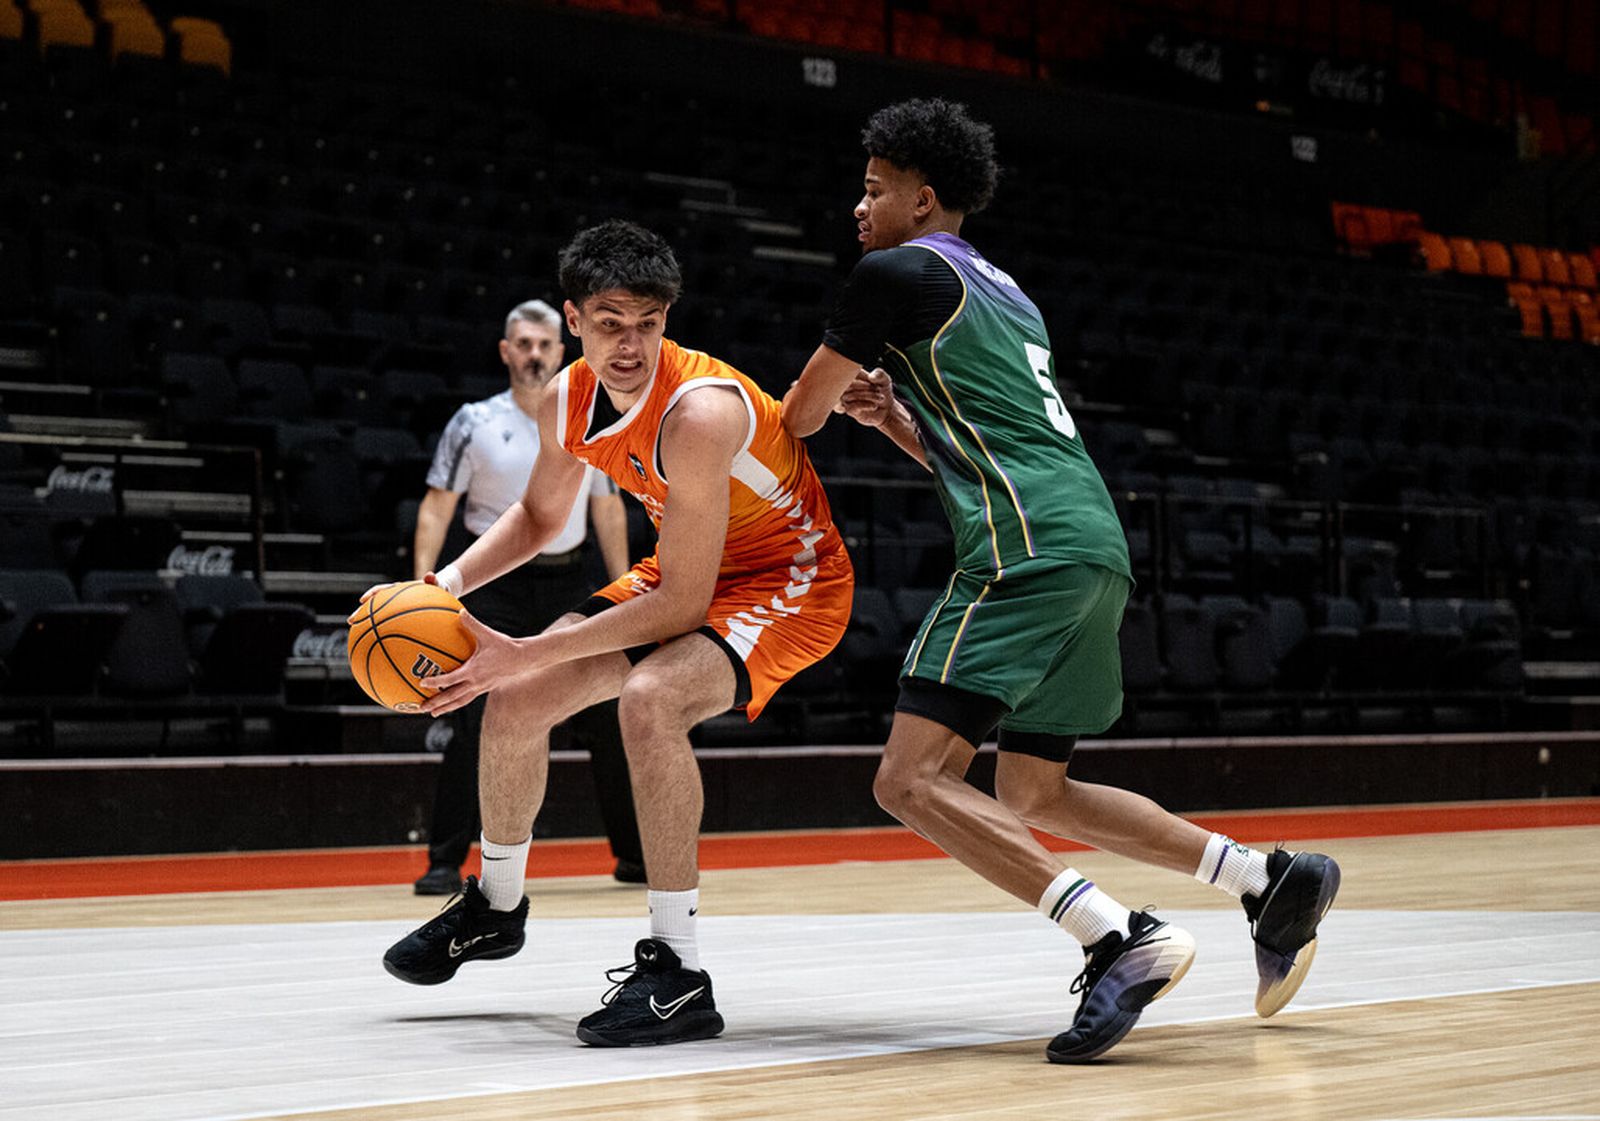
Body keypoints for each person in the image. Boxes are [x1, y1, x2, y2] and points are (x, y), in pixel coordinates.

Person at [781, 98, 1341, 1064]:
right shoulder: (1006, 292)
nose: (857, 207)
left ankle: (1119, 937)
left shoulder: (892, 271)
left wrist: (821, 409)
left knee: (908, 779)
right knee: (1035, 786)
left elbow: (795, 415)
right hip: (1089, 540)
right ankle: (1263, 877)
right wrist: (894, 421)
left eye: (872, 189)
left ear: (922, 198)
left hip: (1023, 550)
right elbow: (982, 451)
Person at [376, 220, 854, 1047]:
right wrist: (442, 585)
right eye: (609, 322)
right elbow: (536, 517)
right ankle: (494, 906)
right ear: (573, 318)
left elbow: (682, 604)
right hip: (689, 567)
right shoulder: (569, 395)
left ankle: (679, 972)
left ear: (668, 317)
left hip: (790, 582)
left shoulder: (700, 413)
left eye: (647, 322)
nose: (629, 344)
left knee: (648, 700)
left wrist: (524, 646)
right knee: (518, 698)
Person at [409, 299, 645, 895]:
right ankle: (444, 859)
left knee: (606, 712)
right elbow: (439, 505)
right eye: (524, 344)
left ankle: (636, 856)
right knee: (473, 713)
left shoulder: (591, 417)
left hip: (569, 576)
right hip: (493, 584)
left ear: (560, 351)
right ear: (506, 351)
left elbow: (607, 506)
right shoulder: (473, 421)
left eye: (544, 344)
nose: (535, 354)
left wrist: (624, 594)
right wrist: (422, 589)